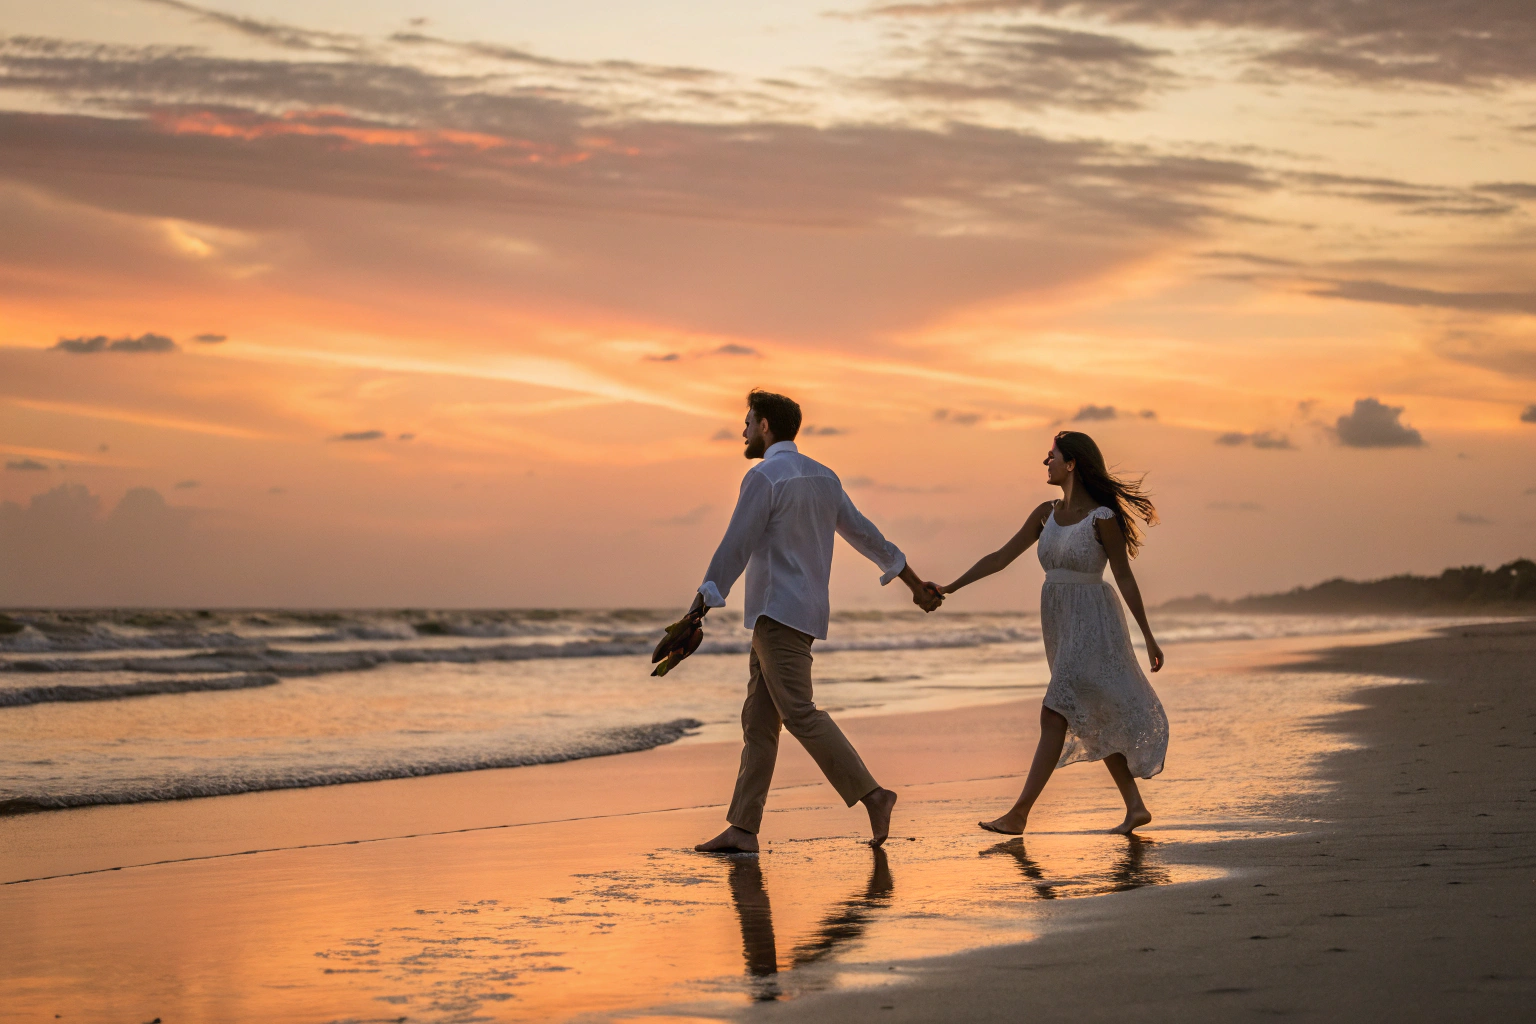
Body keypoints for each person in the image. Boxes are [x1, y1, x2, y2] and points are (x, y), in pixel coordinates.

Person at [688, 389, 943, 854]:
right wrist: (913, 582)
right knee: (758, 722)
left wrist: (702, 602)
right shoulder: (825, 478)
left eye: (748, 421)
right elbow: (866, 534)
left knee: (799, 714)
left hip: (777, 612)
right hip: (802, 614)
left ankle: (874, 794)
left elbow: (735, 545)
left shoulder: (763, 477)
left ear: (766, 426)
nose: (743, 430)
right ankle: (743, 829)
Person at [933, 430, 1167, 835]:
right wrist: (950, 587)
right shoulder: (1045, 513)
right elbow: (1001, 557)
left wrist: (1148, 635)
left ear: (1071, 463)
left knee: (1054, 710)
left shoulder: (1103, 518)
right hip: (1059, 622)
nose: (1046, 462)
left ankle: (1019, 814)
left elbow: (1125, 579)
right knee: (1091, 711)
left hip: (1095, 621)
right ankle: (1135, 807)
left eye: (1052, 456)